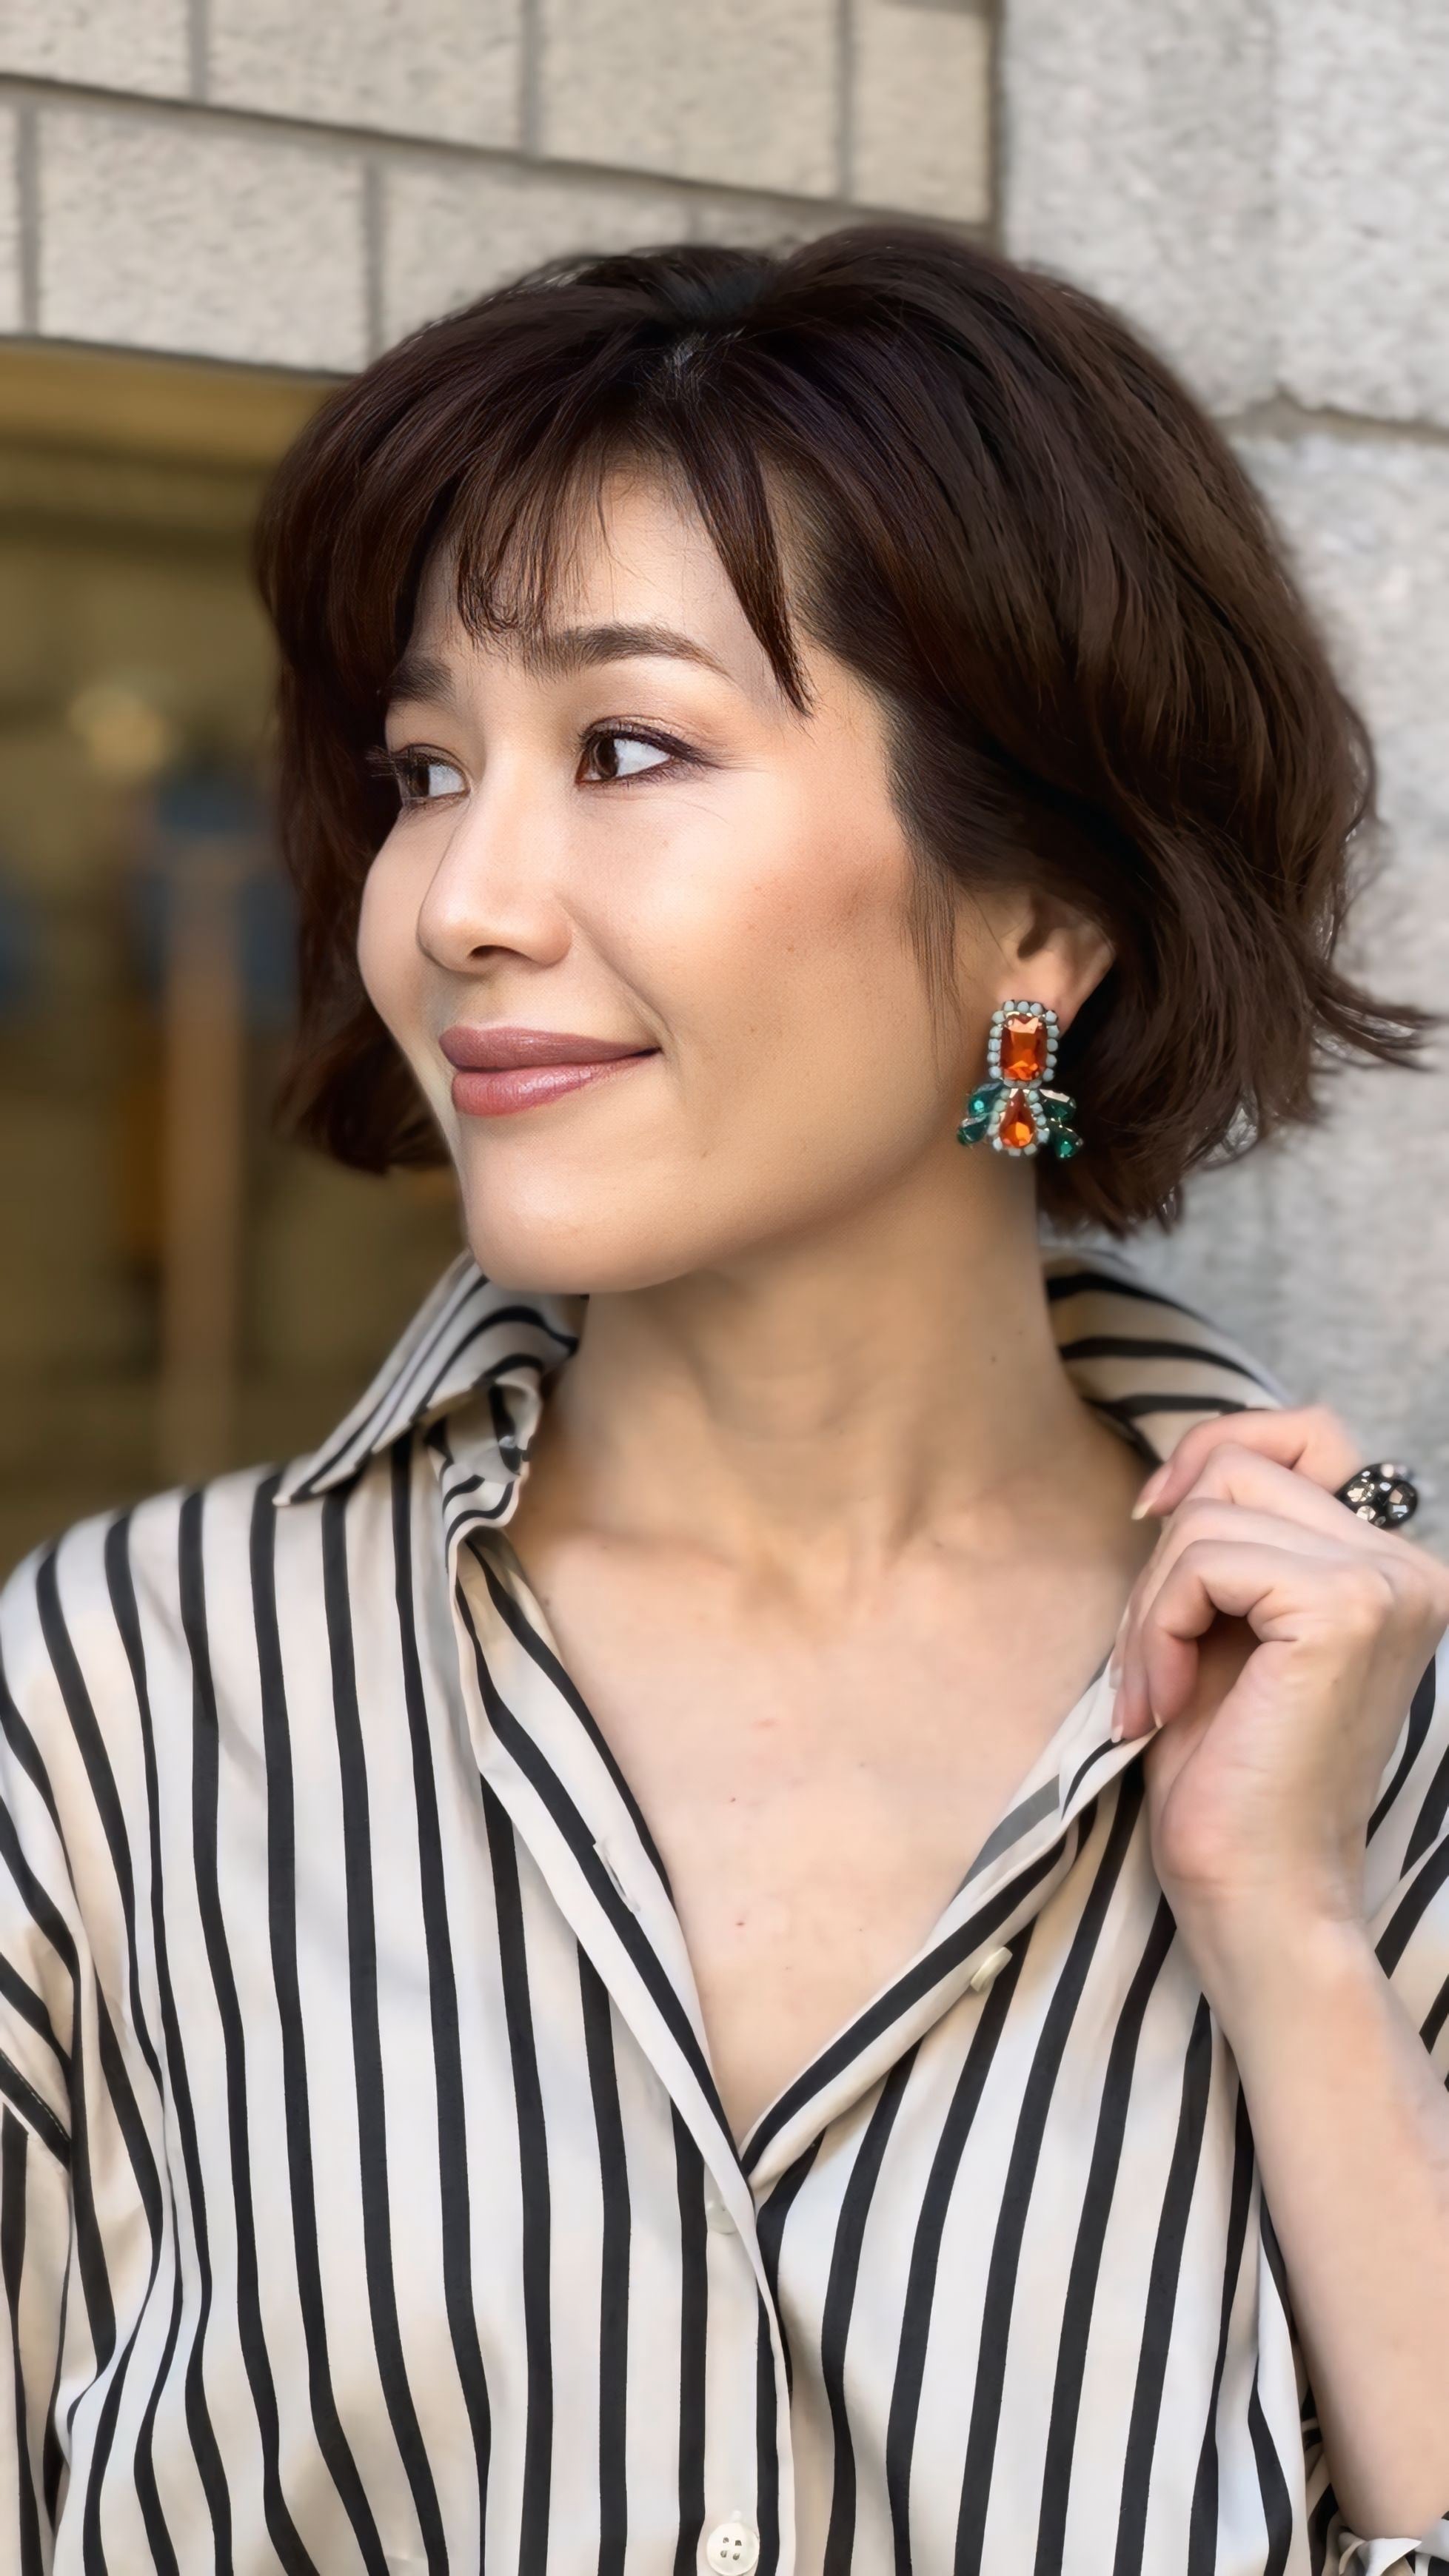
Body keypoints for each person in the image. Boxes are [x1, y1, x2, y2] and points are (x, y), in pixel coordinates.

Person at [1, 224, 1446, 2576]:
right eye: (424, 768)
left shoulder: (1377, 1730)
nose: (458, 903)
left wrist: (1286, 1931)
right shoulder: (127, 1696)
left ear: (1039, 921)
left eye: (627, 747)